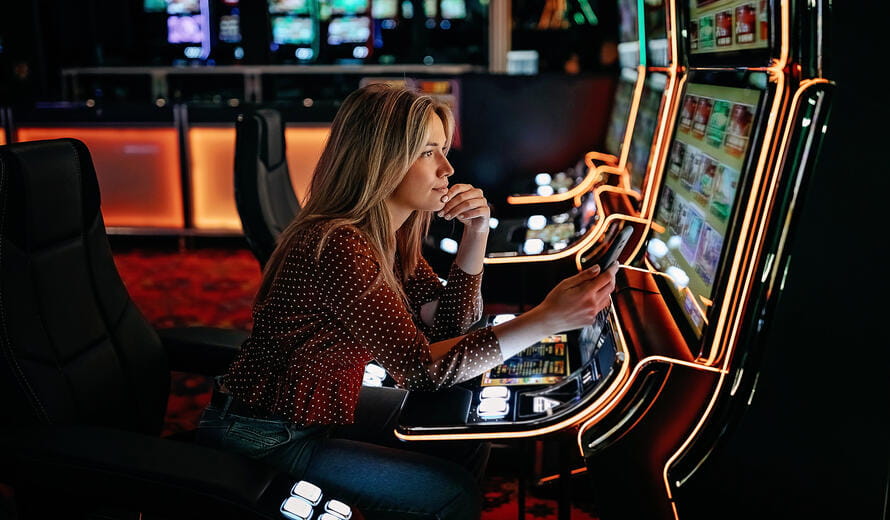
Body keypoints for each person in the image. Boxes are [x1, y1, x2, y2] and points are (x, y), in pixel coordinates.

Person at [195, 83, 619, 520]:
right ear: (381, 161)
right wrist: (546, 320)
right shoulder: (340, 245)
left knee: (463, 433)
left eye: (443, 150)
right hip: (266, 433)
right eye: (427, 152)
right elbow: (422, 369)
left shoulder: (390, 235)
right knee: (450, 494)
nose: (448, 168)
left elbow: (451, 325)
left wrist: (476, 235)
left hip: (318, 408)